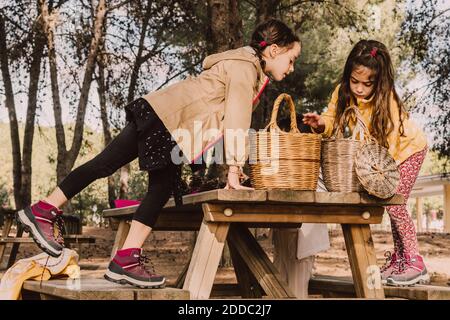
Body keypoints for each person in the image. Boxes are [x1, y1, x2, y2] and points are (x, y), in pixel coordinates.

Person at [17, 19, 301, 289]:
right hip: (168, 122)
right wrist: (234, 169)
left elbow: (213, 117)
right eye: (291, 59)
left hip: (163, 114)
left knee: (121, 170)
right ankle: (115, 251)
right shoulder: (245, 67)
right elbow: (236, 119)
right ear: (273, 50)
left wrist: (206, 167)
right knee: (151, 183)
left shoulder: (243, 64)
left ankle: (57, 215)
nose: (291, 68)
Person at [303, 40, 429, 287]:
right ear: (348, 75)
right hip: (381, 159)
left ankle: (415, 261)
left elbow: (392, 139)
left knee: (395, 203)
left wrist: (380, 173)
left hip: (406, 151)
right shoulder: (342, 92)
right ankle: (401, 261)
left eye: (367, 84)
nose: (359, 89)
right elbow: (331, 118)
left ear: (378, 82)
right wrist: (320, 124)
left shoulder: (387, 98)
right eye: (354, 81)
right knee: (391, 205)